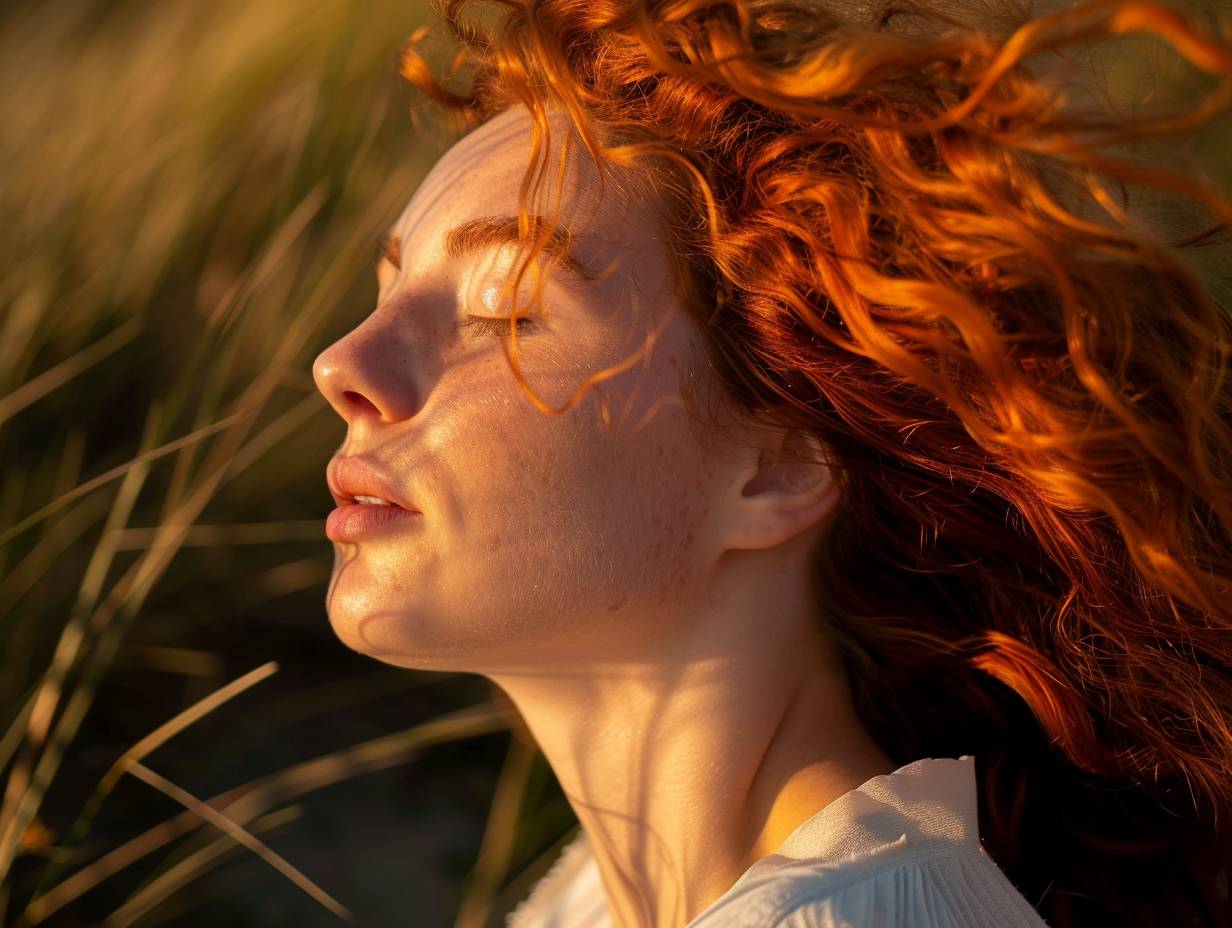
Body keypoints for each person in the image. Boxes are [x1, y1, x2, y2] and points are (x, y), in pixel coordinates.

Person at [311, 0, 1232, 923]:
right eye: (388, 291)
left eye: (507, 309)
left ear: (784, 463)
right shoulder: (599, 901)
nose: (344, 364)